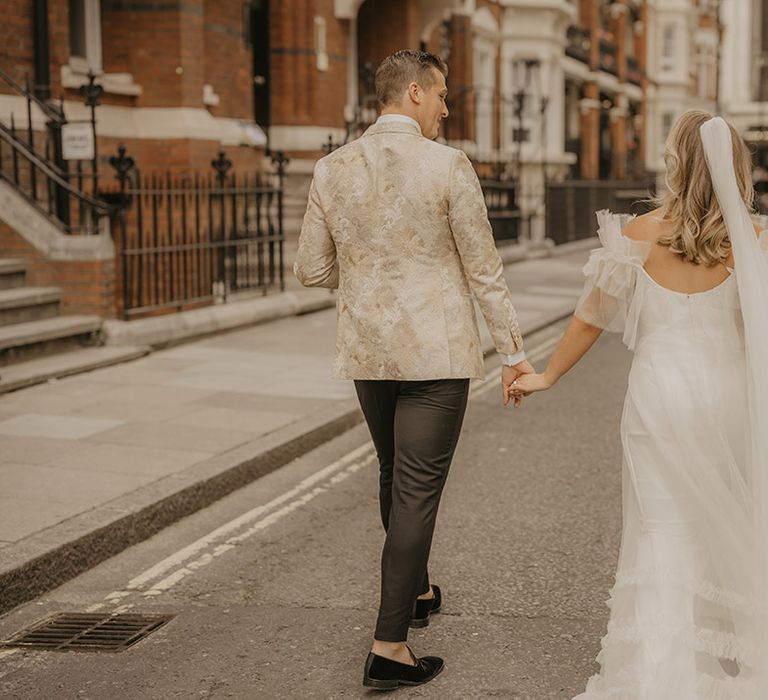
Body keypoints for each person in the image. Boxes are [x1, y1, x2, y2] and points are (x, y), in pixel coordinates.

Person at [294, 49, 533, 689]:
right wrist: (513, 352)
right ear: (417, 95)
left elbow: (312, 270)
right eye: (444, 96)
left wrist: (371, 272)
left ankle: (419, 592)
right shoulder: (449, 166)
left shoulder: (331, 168)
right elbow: (484, 269)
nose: (448, 108)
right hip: (435, 352)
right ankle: (388, 646)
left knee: (393, 473)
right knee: (416, 492)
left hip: (370, 351)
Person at [510, 111, 768, 697]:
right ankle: (732, 659)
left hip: (658, 398)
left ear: (677, 160)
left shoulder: (636, 236)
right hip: (726, 398)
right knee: (723, 523)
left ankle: (660, 674)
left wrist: (547, 375)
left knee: (663, 532)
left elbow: (590, 319)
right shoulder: (755, 241)